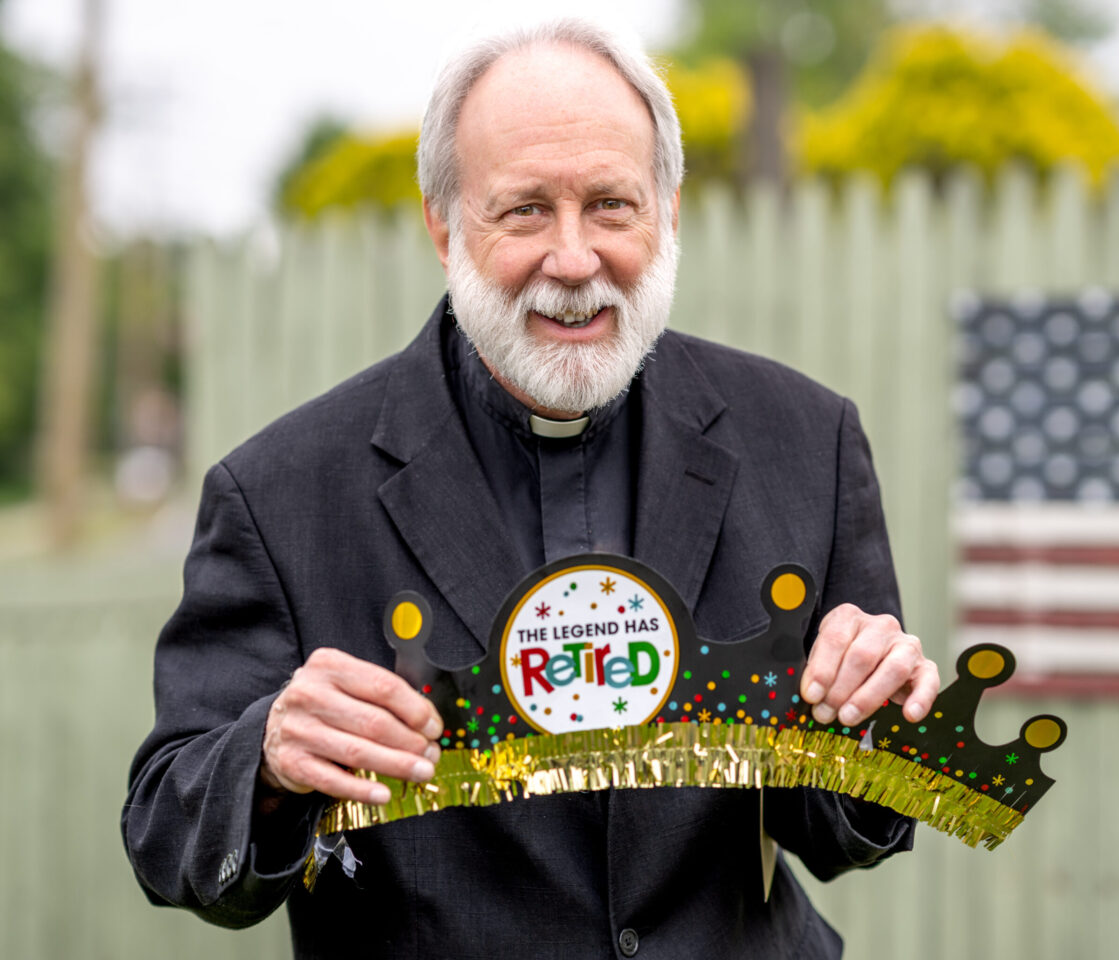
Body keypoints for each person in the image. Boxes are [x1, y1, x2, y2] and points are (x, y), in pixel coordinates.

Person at [123, 18, 939, 960]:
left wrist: (875, 727)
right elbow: (167, 831)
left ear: (668, 213)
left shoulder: (805, 440)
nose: (574, 259)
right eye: (524, 211)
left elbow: (845, 826)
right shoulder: (280, 493)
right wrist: (265, 763)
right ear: (444, 227)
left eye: (611, 205)